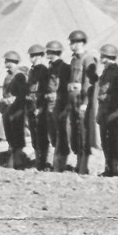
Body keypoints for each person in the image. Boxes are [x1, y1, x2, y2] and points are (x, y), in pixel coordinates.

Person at [67, 30, 98, 175]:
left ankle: (84, 165)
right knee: (75, 132)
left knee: (83, 132)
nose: (71, 45)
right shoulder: (74, 59)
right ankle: (78, 162)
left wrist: (85, 103)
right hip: (72, 99)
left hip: (82, 100)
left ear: (81, 43)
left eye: (74, 42)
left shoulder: (88, 58)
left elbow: (89, 83)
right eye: (71, 42)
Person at [96, 44, 118, 177]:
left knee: (113, 140)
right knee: (105, 140)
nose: (101, 57)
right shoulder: (106, 71)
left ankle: (114, 168)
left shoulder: (117, 72)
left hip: (112, 110)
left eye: (103, 55)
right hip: (104, 109)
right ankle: (108, 167)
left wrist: (117, 111)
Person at [0, 51, 28, 169]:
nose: (5, 63)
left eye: (7, 61)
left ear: (12, 61)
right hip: (7, 109)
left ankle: (17, 163)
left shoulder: (19, 75)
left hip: (16, 109)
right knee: (10, 136)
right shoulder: (8, 75)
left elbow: (22, 94)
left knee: (17, 137)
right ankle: (11, 163)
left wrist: (11, 100)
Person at [45, 40, 70, 172]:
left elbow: (65, 87)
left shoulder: (64, 67)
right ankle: (57, 162)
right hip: (50, 102)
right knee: (53, 133)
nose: (47, 53)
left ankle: (60, 164)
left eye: (49, 51)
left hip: (59, 102)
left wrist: (63, 103)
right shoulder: (51, 66)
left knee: (60, 132)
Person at [25, 44, 50, 170]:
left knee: (42, 135)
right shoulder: (31, 71)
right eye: (31, 55)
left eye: (35, 55)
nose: (32, 58)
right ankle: (37, 160)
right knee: (34, 136)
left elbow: (45, 90)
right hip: (31, 105)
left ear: (41, 55)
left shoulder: (44, 70)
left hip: (40, 106)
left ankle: (43, 162)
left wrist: (41, 108)